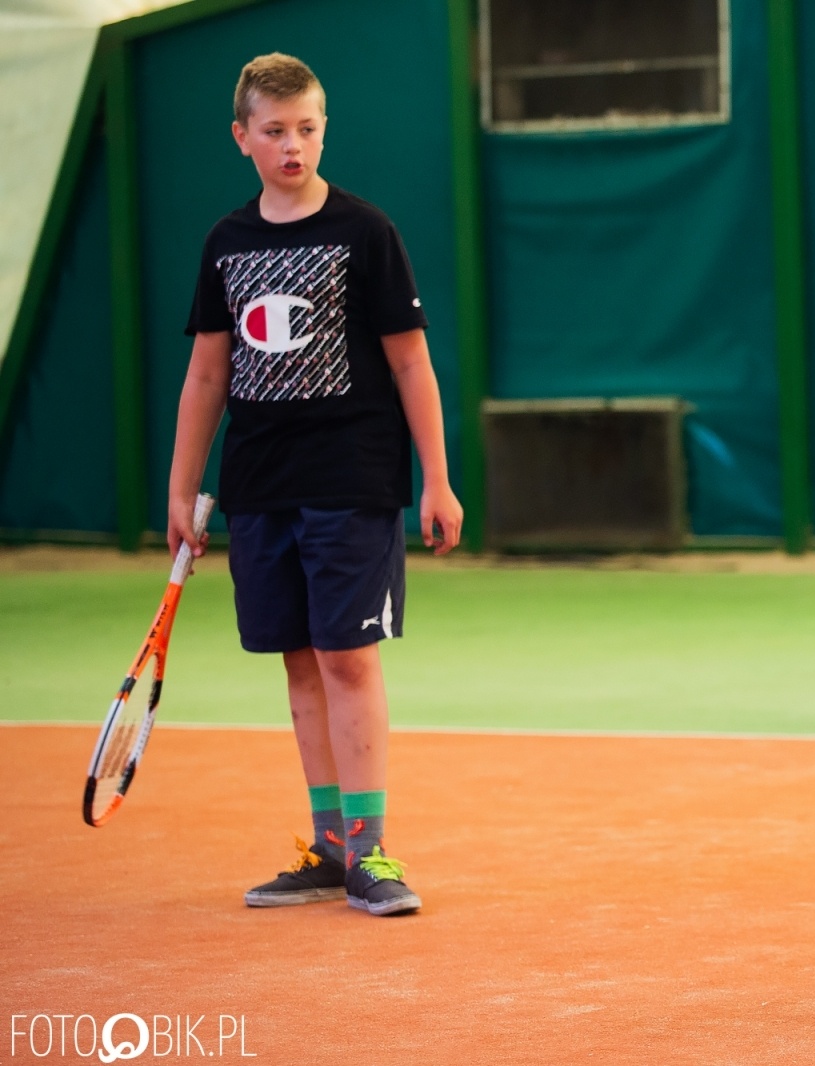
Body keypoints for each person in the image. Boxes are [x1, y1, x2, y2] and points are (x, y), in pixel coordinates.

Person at [166, 53, 462, 917]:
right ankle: (330, 849)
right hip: (259, 488)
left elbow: (412, 364)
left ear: (323, 130)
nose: (292, 145)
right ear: (242, 138)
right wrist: (183, 491)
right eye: (274, 130)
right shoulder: (226, 243)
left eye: (307, 129)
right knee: (298, 662)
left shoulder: (366, 233)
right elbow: (206, 378)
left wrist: (436, 480)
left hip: (354, 480)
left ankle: (373, 855)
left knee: (345, 657)